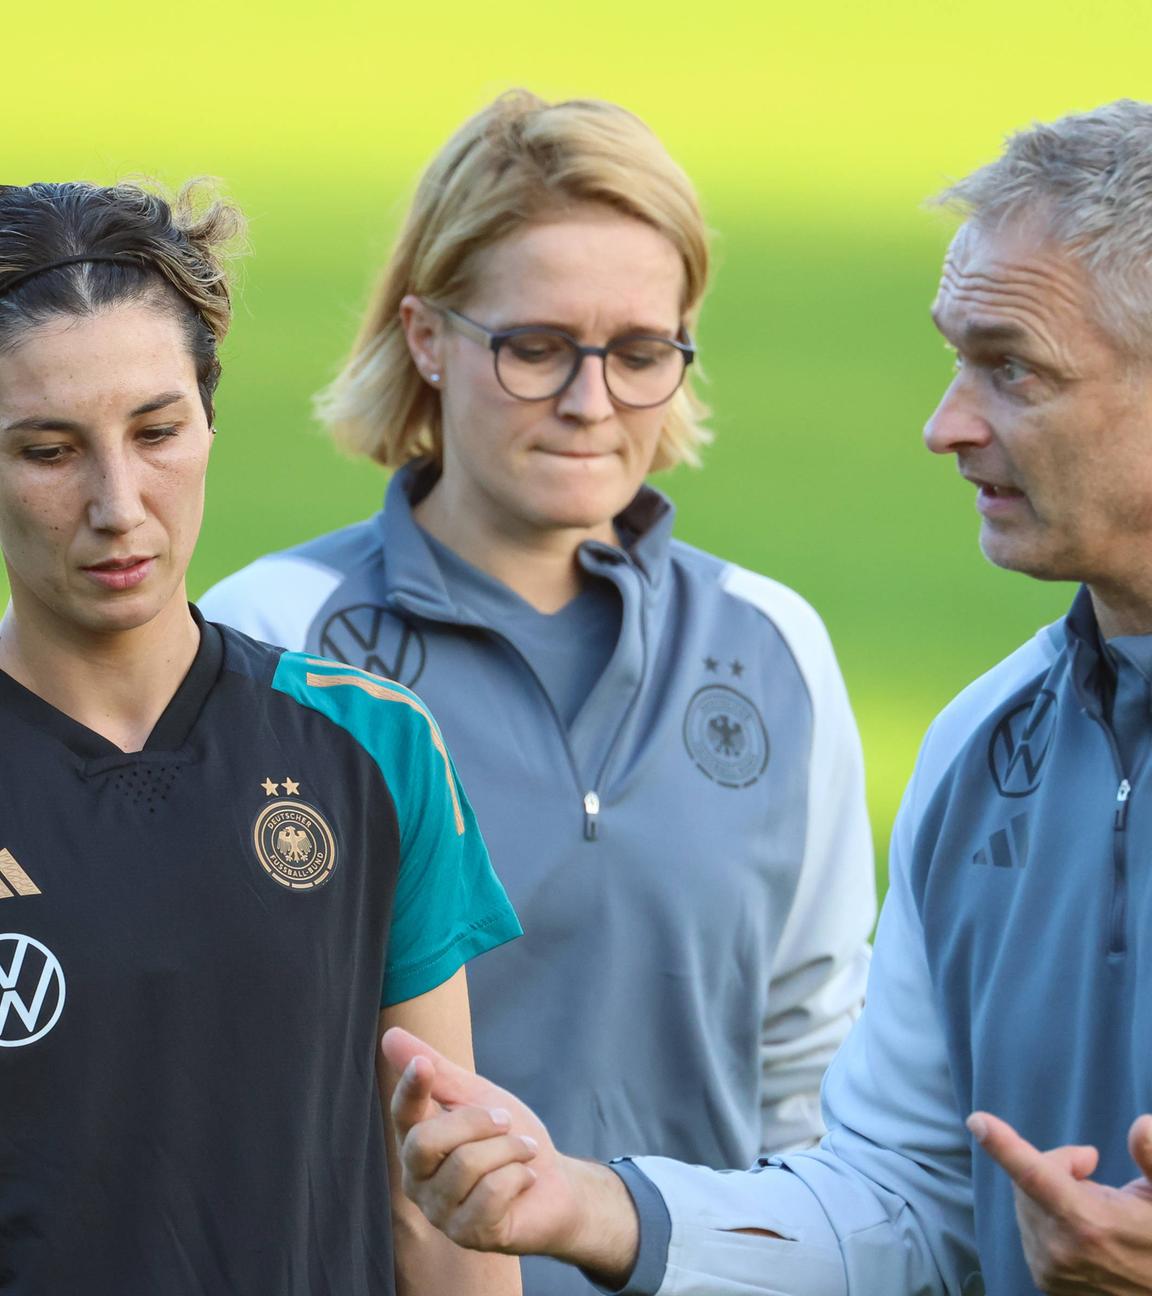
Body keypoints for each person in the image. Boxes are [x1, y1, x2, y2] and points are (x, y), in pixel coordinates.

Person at [379, 98, 1152, 1296]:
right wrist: (587, 1201)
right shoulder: (982, 750)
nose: (947, 425)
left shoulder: (777, 649)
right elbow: (898, 1205)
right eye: (958, 359)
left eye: (1014, 369)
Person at [200, 92, 876, 1292]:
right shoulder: (274, 636)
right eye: (536, 345)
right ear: (425, 336)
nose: (590, 400)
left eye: (640, 351)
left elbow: (813, 1071)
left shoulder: (776, 643)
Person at [0, 179, 522, 1296]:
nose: (119, 503)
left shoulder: (370, 748)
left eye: (158, 430)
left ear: (209, 417)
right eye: (49, 451)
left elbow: (437, 1210)